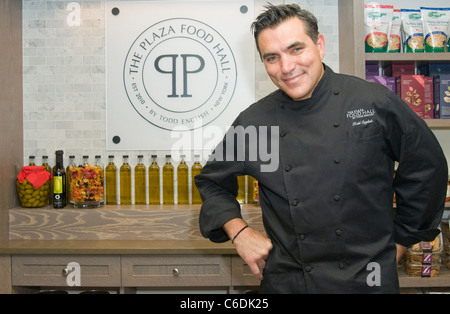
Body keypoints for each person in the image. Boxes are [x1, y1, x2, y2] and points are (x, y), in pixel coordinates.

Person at [195, 4, 448, 293]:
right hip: (289, 280)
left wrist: (402, 240)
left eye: (296, 49)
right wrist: (239, 232)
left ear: (320, 45)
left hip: (368, 279)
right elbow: (211, 183)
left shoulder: (371, 102)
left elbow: (428, 168)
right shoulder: (256, 121)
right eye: (272, 57)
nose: (286, 67)